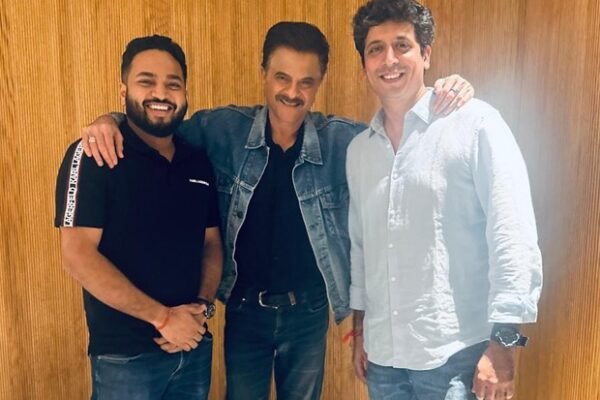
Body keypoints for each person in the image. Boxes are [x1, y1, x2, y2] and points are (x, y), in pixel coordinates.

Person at [80, 22, 473, 400]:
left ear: (320, 82)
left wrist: (442, 92)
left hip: (309, 312)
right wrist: (111, 120)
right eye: (282, 78)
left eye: (306, 82)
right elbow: (157, 123)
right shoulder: (222, 130)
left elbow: (397, 131)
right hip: (245, 309)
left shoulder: (342, 140)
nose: (292, 92)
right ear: (264, 73)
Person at [346, 1, 543, 400]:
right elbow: (361, 247)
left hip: (457, 357)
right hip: (383, 362)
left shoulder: (475, 124)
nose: (389, 60)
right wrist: (361, 330)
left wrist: (504, 341)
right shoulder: (359, 151)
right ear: (364, 63)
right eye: (375, 49)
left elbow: (512, 230)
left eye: (402, 45)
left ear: (426, 54)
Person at [55, 35, 223, 400]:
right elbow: (77, 255)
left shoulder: (197, 161)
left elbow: (211, 242)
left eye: (172, 84)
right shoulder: (95, 155)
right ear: (123, 91)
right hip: (125, 358)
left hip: (192, 347)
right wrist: (163, 318)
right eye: (147, 81)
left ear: (185, 92)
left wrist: (202, 305)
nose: (160, 93)